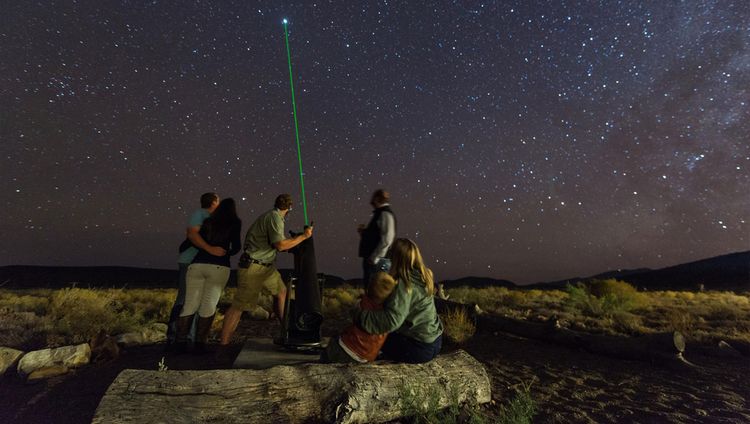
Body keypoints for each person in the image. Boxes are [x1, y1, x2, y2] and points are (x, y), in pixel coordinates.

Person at [219, 194, 313, 346]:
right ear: (290, 208)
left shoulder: (273, 217)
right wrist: (304, 236)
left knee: (281, 293)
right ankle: (223, 346)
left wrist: (292, 243)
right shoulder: (274, 218)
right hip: (254, 267)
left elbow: (276, 244)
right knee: (239, 306)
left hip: (267, 267)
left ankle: (286, 333)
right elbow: (280, 245)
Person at [354, 238, 443, 363]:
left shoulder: (404, 284)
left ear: (394, 258)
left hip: (418, 349)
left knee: (376, 335)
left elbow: (392, 321)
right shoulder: (422, 276)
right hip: (435, 342)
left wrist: (360, 316)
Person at [175, 198, 242, 353]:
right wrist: (227, 252)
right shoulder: (235, 222)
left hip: (197, 265)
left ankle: (179, 344)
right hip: (219, 266)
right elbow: (237, 245)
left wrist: (207, 248)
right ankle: (199, 345)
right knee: (208, 306)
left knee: (190, 304)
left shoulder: (208, 221)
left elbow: (191, 240)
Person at [166, 192, 226, 350]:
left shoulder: (210, 218)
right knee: (184, 300)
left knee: (195, 301)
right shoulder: (200, 214)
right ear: (213, 202)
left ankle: (190, 339)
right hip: (189, 262)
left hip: (199, 264)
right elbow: (192, 234)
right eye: (218, 201)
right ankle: (174, 338)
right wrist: (210, 249)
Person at [321, 272, 397, 363]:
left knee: (330, 348)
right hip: (365, 358)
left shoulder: (362, 303)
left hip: (345, 348)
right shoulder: (388, 314)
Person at [357, 189, 396, 287]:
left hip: (378, 262)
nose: (371, 200)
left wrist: (375, 258)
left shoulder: (385, 214)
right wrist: (365, 233)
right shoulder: (381, 214)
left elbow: (387, 239)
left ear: (377, 198)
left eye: (373, 197)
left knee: (375, 292)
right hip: (376, 260)